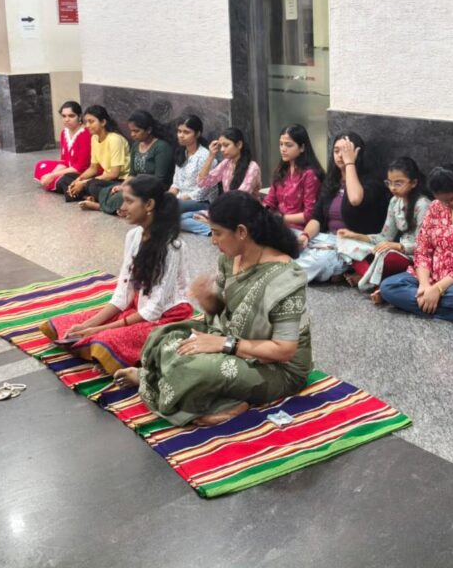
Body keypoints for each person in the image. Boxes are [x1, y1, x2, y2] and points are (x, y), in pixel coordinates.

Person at [114, 191, 311, 427]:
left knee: (198, 370)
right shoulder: (230, 258)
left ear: (241, 232)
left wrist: (224, 344)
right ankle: (181, 387)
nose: (212, 240)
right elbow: (222, 310)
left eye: (217, 233)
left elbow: (285, 350)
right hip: (231, 339)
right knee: (162, 337)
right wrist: (207, 298)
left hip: (277, 367)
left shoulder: (285, 278)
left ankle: (216, 403)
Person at [40, 175, 195, 374]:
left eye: (129, 201)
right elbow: (123, 293)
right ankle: (99, 346)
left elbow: (154, 310)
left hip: (166, 317)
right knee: (64, 325)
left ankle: (107, 351)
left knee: (106, 340)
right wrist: (87, 324)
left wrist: (98, 330)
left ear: (149, 205)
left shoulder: (172, 246)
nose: (122, 207)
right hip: (138, 308)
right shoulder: (133, 236)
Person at [379, 164, 453, 321]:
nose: (446, 205)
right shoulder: (435, 206)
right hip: (431, 276)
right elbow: (423, 249)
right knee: (388, 286)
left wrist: (439, 289)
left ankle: (421, 303)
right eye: (442, 201)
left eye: (450, 199)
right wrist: (424, 285)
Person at [294, 132, 390, 283]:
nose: (340, 155)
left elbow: (355, 199)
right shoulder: (332, 181)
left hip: (350, 245)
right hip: (326, 239)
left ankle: (286, 269)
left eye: (345, 151)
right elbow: (316, 218)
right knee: (285, 234)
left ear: (357, 153)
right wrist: (305, 236)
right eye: (336, 151)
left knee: (318, 263)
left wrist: (349, 164)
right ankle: (287, 264)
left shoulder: (371, 183)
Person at [337, 156, 431, 298]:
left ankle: (372, 282)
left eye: (398, 183)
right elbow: (385, 236)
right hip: (395, 249)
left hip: (414, 256)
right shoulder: (394, 201)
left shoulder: (423, 204)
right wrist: (355, 236)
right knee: (347, 244)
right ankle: (376, 284)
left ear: (413, 183)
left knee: (389, 258)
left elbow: (425, 247)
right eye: (389, 183)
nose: (392, 188)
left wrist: (398, 247)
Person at [82, 110, 175, 214]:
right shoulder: (136, 145)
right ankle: (118, 207)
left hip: (153, 188)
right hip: (136, 185)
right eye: (131, 131)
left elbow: (159, 180)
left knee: (125, 196)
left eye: (136, 131)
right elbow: (132, 174)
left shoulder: (161, 147)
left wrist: (132, 188)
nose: (132, 134)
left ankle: (101, 206)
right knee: (104, 188)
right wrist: (123, 186)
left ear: (148, 130)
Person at [182, 127, 262, 235]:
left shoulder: (252, 167)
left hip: (244, 214)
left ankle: (217, 229)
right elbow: (202, 183)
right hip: (226, 210)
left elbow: (239, 199)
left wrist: (214, 218)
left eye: (226, 145)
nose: (222, 149)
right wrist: (211, 156)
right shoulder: (226, 163)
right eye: (221, 146)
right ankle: (216, 231)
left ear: (239, 145)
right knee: (183, 218)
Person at [58, 106, 131, 203]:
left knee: (93, 186)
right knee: (66, 178)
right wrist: (79, 179)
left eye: (91, 121)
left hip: (119, 181)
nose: (87, 125)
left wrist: (84, 182)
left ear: (103, 122)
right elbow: (93, 168)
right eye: (86, 122)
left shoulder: (115, 139)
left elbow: (114, 173)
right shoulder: (94, 138)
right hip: (104, 178)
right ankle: (87, 197)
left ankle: (89, 196)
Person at [263, 124, 324, 227]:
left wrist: (281, 218)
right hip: (278, 225)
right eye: (281, 144)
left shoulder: (309, 174)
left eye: (288, 145)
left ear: (302, 147)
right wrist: (262, 212)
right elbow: (269, 201)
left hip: (301, 229)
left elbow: (309, 214)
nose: (283, 149)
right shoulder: (281, 170)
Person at [34, 101, 91, 193]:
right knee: (41, 165)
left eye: (71, 116)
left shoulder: (85, 134)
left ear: (80, 116)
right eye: (64, 116)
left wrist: (52, 176)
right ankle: (55, 183)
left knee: (63, 179)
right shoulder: (64, 133)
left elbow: (80, 167)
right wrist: (52, 174)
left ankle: (56, 184)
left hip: (82, 172)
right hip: (68, 168)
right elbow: (64, 161)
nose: (67, 119)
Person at [169, 114, 219, 214]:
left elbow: (203, 191)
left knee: (172, 208)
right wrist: (168, 196)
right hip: (181, 200)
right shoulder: (181, 152)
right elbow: (176, 184)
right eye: (179, 131)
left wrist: (180, 199)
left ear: (197, 134)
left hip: (202, 201)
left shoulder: (205, 156)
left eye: (186, 132)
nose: (181, 135)